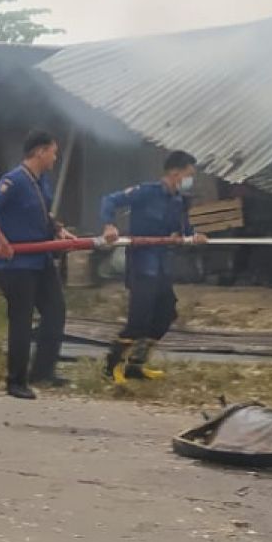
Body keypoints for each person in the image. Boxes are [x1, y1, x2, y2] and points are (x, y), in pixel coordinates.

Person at [0, 131, 76, 400]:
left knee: (55, 311)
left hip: (40, 259)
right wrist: (1, 241)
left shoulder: (40, 181)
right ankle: (15, 380)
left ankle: (43, 370)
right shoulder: (14, 180)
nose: (55, 158)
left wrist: (58, 230)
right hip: (16, 265)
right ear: (40, 152)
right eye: (53, 152)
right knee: (21, 320)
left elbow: (43, 212)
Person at [99, 151, 208, 384]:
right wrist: (110, 226)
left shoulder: (178, 200)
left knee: (166, 312)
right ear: (175, 172)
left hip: (162, 264)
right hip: (142, 264)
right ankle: (112, 366)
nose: (190, 180)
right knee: (139, 319)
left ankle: (136, 365)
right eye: (189, 175)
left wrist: (193, 236)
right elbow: (109, 200)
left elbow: (184, 227)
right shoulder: (146, 192)